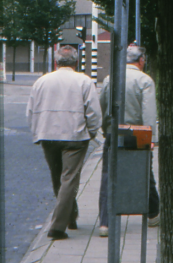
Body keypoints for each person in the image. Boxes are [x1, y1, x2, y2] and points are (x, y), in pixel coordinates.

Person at [26, 45, 102, 240]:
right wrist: (91, 133)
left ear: (55, 62)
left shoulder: (41, 81)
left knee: (57, 176)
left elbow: (31, 111)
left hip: (48, 135)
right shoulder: (84, 81)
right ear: (76, 63)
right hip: (75, 136)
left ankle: (70, 216)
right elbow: (94, 112)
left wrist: (38, 131)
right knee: (69, 178)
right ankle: (58, 226)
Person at [98, 44, 160, 236]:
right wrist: (152, 138)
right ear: (141, 61)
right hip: (137, 132)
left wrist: (106, 127)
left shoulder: (111, 78)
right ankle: (152, 214)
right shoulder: (145, 80)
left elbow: (103, 104)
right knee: (144, 173)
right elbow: (148, 113)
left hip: (114, 131)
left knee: (109, 174)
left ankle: (105, 223)